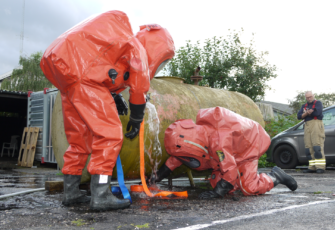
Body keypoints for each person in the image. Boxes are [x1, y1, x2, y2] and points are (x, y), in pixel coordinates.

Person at [40, 11, 175, 210]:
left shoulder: (119, 41)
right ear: (158, 48)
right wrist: (136, 117)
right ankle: (101, 195)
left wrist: (114, 95)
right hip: (83, 77)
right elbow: (139, 86)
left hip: (64, 74)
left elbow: (101, 67)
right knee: (110, 136)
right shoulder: (135, 46)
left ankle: (71, 193)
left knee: (79, 139)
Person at [149, 107, 297, 199]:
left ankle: (275, 176)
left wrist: (218, 193)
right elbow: (178, 157)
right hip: (233, 151)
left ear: (192, 144)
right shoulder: (198, 137)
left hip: (249, 145)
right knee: (220, 184)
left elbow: (230, 170)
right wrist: (155, 178)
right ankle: (240, 180)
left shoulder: (218, 141)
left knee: (247, 188)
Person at [297, 91, 325, 173]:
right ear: (305, 98)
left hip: (316, 124)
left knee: (317, 146)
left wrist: (304, 114)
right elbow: (299, 116)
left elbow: (317, 113)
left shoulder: (318, 103)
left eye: (310, 97)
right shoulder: (304, 106)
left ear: (313, 96)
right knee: (308, 147)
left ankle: (320, 167)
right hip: (307, 125)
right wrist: (307, 113)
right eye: (307, 97)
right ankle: (312, 167)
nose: (309, 99)